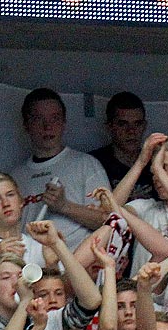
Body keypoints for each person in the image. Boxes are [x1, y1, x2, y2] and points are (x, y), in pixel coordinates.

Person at [10, 89, 109, 250]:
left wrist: (64, 206)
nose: (47, 127)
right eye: (38, 119)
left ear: (64, 123)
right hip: (30, 269)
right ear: (26, 125)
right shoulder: (15, 177)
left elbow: (108, 221)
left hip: (76, 267)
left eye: (55, 119)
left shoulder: (86, 165)